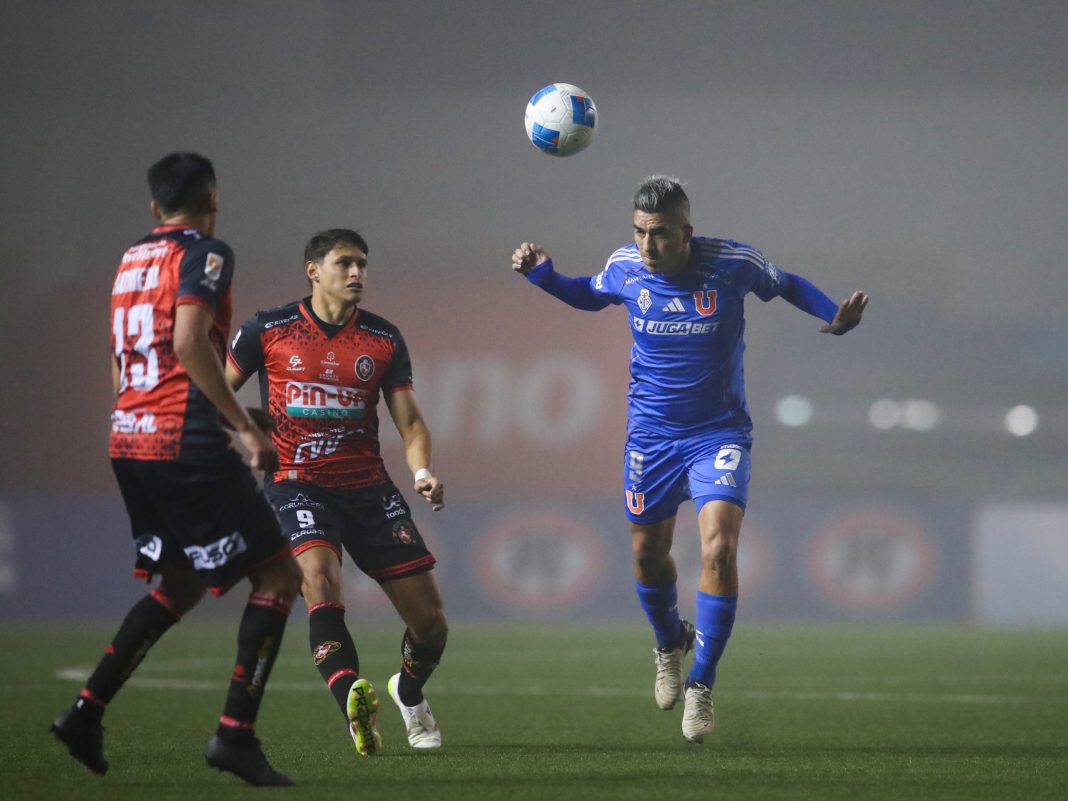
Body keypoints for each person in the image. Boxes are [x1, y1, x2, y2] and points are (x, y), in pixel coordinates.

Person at [511, 175, 868, 744]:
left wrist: (832, 313)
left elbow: (788, 283)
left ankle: (701, 685)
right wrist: (543, 276)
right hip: (650, 438)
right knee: (649, 556)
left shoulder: (731, 263)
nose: (647, 245)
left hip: (718, 433)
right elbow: (589, 292)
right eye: (639, 232)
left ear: (686, 234)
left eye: (659, 235)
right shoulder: (627, 267)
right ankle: (667, 644)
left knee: (719, 547)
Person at [49, 152, 303, 787]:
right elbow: (189, 342)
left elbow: (128, 362)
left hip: (131, 435)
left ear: (153, 206)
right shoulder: (206, 254)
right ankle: (234, 737)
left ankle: (86, 712)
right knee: (278, 575)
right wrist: (243, 430)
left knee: (180, 583)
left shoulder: (132, 259)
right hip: (180, 443)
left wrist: (224, 414)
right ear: (212, 197)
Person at [226, 228, 448, 756]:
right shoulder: (267, 329)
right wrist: (247, 433)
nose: (356, 274)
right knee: (320, 580)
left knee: (431, 626)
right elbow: (217, 391)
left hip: (369, 490)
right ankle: (354, 699)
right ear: (314, 270)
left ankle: (408, 692)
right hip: (296, 486)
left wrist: (421, 472)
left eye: (363, 265)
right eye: (345, 263)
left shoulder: (383, 339)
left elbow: (411, 423)